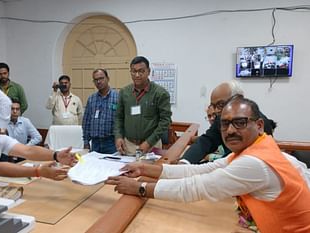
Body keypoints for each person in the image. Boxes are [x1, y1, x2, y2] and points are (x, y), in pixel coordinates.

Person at [106, 96, 310, 233]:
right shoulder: (255, 147)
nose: (230, 130)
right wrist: (144, 168)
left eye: (239, 122)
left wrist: (140, 187)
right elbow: (201, 170)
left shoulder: (254, 162)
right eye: (224, 123)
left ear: (258, 125)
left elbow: (196, 187)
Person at [180, 80, 276, 164]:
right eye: (213, 106)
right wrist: (185, 162)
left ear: (238, 98)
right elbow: (207, 140)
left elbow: (233, 162)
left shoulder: (257, 124)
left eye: (220, 104)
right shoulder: (221, 116)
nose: (216, 111)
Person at [114, 56, 172, 155]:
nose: (137, 75)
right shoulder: (124, 92)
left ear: (148, 71)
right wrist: (118, 136)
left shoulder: (160, 93)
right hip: (128, 146)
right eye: (133, 71)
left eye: (141, 71)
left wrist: (148, 142)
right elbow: (119, 117)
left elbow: (165, 121)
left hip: (151, 146)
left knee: (149, 170)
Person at [82, 69, 118, 154]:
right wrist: (86, 142)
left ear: (108, 79)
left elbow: (122, 120)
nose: (99, 81)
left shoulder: (118, 97)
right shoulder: (91, 99)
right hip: (95, 143)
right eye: (96, 80)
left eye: (101, 78)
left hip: (112, 143)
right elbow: (86, 122)